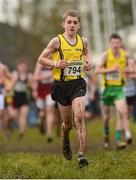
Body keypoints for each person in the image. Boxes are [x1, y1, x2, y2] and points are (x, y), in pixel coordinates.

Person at [37, 9, 92, 168]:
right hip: (61, 86)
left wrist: (88, 62)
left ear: (79, 25)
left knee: (80, 117)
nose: (72, 25)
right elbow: (41, 59)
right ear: (63, 24)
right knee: (67, 124)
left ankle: (81, 156)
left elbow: (86, 54)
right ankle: (65, 139)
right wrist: (55, 63)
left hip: (78, 83)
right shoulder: (57, 41)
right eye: (69, 22)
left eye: (75, 22)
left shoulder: (84, 41)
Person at [96, 33, 132, 149]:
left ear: (120, 43)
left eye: (117, 42)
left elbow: (128, 67)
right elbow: (97, 70)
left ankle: (120, 138)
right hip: (107, 89)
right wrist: (110, 69)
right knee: (106, 117)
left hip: (119, 89)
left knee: (122, 112)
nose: (115, 45)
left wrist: (128, 70)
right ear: (110, 44)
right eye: (113, 43)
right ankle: (106, 135)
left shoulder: (125, 55)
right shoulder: (106, 55)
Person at [33, 63, 55, 142]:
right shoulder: (40, 64)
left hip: (51, 89)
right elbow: (35, 78)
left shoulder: (55, 62)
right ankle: (42, 124)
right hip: (40, 90)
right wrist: (34, 90)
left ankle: (49, 133)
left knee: (49, 110)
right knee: (42, 114)